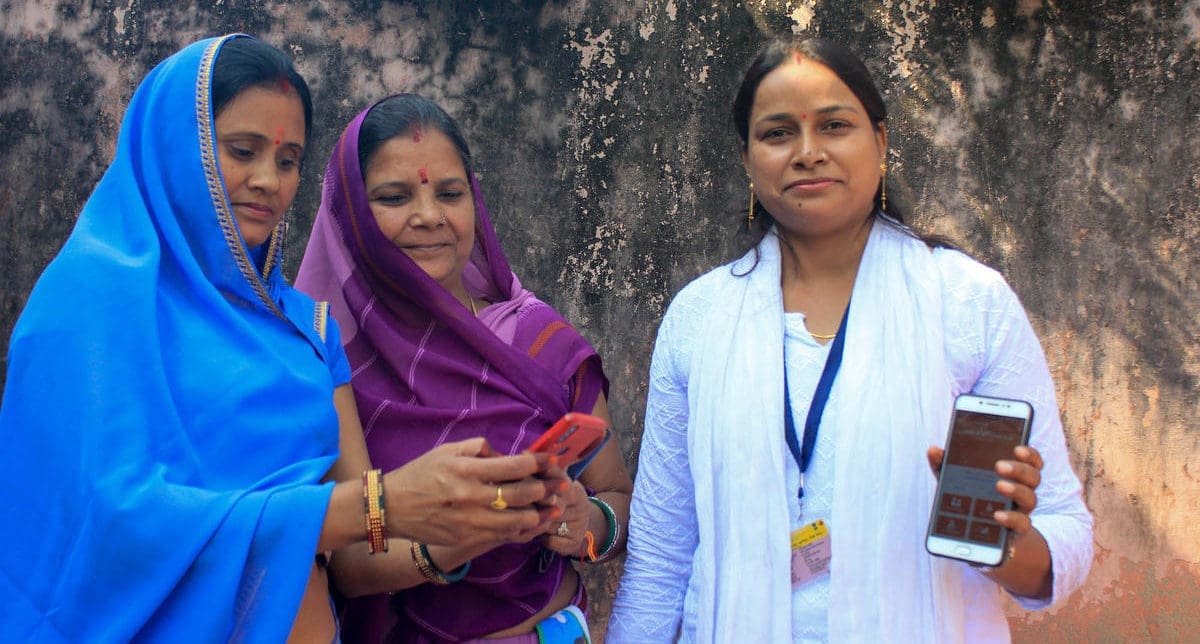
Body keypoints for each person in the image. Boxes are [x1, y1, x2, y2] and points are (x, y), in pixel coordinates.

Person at [0, 35, 564, 643]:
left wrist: (460, 530)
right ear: (173, 147)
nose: (269, 180)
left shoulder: (305, 331)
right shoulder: (90, 303)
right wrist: (383, 503)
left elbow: (356, 556)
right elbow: (107, 522)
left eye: (289, 159)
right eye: (243, 150)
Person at [608, 37, 1093, 642]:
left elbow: (1065, 534)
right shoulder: (700, 317)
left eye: (834, 125)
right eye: (778, 133)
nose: (808, 153)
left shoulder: (967, 302)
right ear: (748, 160)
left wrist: (1003, 543)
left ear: (881, 143)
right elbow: (662, 553)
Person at [295, 93, 633, 643]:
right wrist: (461, 536)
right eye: (394, 196)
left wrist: (584, 523)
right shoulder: (328, 359)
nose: (429, 217)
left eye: (450, 193)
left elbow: (616, 499)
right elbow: (349, 567)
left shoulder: (541, 340)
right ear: (352, 214)